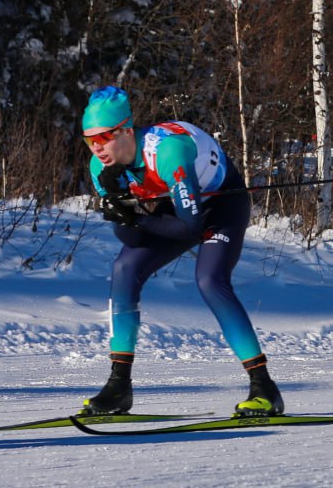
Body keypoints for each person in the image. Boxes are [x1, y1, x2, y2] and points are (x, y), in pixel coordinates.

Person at [79, 85, 283, 416]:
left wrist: (134, 216)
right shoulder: (100, 169)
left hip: (221, 204)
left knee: (209, 280)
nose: (97, 148)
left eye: (104, 137)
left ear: (127, 130)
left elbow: (189, 227)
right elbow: (131, 239)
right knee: (124, 269)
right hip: (175, 211)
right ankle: (118, 387)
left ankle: (264, 388)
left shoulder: (168, 151)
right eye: (90, 140)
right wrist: (122, 212)